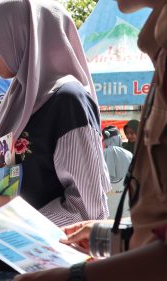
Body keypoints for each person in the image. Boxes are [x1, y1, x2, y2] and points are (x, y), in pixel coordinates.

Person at [13, 0, 167, 280]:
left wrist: (76, 276)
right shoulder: (158, 47)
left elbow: (86, 201)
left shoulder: (68, 98)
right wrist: (108, 237)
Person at [0, 0, 111, 270]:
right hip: (9, 257)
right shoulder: (19, 97)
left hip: (50, 264)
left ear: (24, 37)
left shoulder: (68, 101)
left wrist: (14, 216)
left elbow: (88, 209)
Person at [102, 125, 133, 218]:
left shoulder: (99, 156)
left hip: (107, 202)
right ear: (118, 138)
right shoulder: (129, 154)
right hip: (125, 200)